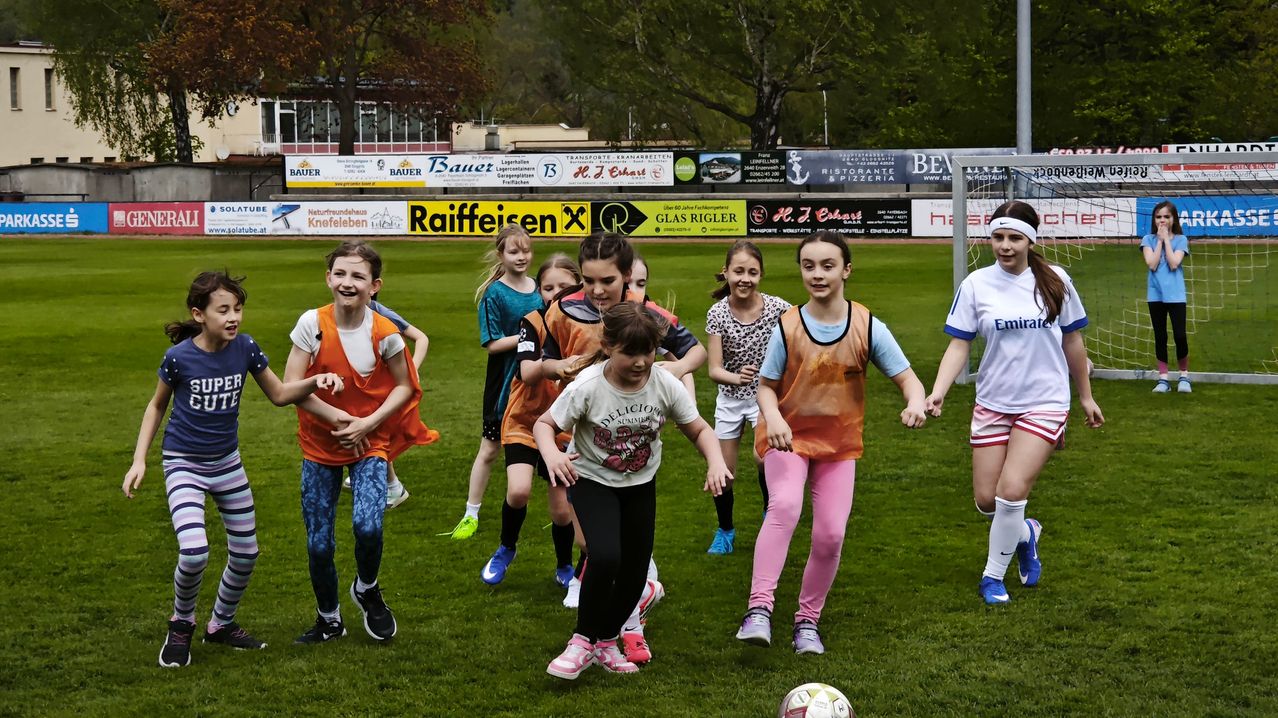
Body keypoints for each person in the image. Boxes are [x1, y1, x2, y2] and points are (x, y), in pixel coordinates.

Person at [122, 271, 348, 668]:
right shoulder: (178, 358)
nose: (234, 317)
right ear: (199, 314)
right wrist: (139, 459)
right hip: (184, 465)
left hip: (227, 464)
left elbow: (279, 394)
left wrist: (316, 380)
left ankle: (220, 625)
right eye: (223, 310)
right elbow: (157, 406)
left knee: (246, 553)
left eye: (238, 309)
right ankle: (181, 624)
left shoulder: (245, 348)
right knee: (193, 554)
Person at [735, 231, 927, 655]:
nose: (817, 274)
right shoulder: (787, 327)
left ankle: (807, 621)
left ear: (846, 270)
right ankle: (759, 610)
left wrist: (915, 402)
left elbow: (908, 378)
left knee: (830, 536)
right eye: (808, 266)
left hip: (838, 445)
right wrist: (773, 419)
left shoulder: (867, 324)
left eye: (827, 266)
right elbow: (765, 387)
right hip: (788, 439)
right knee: (783, 505)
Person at [536, 302, 731, 680]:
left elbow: (700, 430)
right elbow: (544, 425)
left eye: (649, 352)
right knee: (606, 556)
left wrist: (716, 461)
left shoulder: (664, 383)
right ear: (608, 346)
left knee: (635, 570)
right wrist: (552, 455)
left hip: (640, 486)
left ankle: (607, 643)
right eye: (631, 353)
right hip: (592, 481)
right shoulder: (589, 385)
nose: (642, 362)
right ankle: (581, 642)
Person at [925, 200, 1104, 606]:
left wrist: (1086, 396)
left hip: (1044, 401)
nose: (1004, 246)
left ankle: (992, 578)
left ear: (1030, 241)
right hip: (993, 401)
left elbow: (1073, 341)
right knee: (987, 500)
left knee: (1010, 492)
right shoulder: (975, 284)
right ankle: (1026, 533)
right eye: (998, 237)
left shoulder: (1056, 280)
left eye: (1014, 238)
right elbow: (959, 345)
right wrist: (938, 391)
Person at [285, 240, 438, 643]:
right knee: (319, 543)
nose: (347, 282)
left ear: (375, 286)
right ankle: (329, 619)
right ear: (328, 278)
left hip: (370, 442)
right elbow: (289, 387)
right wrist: (340, 417)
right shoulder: (311, 324)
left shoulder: (385, 333)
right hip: (320, 446)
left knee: (367, 526)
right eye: (340, 274)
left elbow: (406, 387)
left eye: (358, 276)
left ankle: (367, 588)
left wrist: (366, 425)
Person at [480, 254, 581, 589]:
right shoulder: (531, 321)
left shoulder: (585, 325)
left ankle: (565, 565)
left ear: (578, 286)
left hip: (563, 426)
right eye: (548, 287)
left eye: (564, 287)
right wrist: (563, 364)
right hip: (524, 420)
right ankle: (506, 548)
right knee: (519, 490)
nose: (554, 293)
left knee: (561, 510)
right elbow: (527, 371)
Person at [449, 225, 544, 539]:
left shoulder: (539, 286)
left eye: (525, 251)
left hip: (539, 379)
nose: (521, 257)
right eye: (514, 252)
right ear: (501, 254)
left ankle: (565, 510)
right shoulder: (495, 293)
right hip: (504, 382)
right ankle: (470, 513)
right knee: (490, 448)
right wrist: (527, 338)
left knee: (551, 443)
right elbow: (490, 343)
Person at [703, 240, 790, 554]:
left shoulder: (779, 308)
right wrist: (735, 377)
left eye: (752, 272)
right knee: (724, 474)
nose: (745, 278)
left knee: (764, 457)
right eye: (738, 271)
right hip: (729, 398)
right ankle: (725, 530)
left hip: (765, 398)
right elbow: (714, 369)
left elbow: (801, 335)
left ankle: (771, 514)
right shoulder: (718, 313)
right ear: (726, 272)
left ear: (761, 275)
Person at [341, 297, 429, 509]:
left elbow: (421, 338)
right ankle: (371, 473)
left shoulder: (379, 313)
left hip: (385, 387)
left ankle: (391, 484)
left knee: (375, 433)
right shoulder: (343, 314)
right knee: (367, 431)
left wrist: (412, 369)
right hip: (365, 385)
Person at [1141, 200, 1191, 393]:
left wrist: (1167, 240)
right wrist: (1160, 241)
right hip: (1155, 295)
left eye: (1166, 217)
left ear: (1173, 219)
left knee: (1180, 335)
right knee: (1160, 336)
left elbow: (1173, 263)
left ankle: (1184, 376)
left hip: (1176, 295)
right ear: (1154, 219)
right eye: (1158, 217)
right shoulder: (1147, 240)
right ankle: (1163, 379)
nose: (1162, 220)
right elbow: (1152, 264)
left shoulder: (1181, 240)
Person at [631, 254, 697, 399]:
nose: (634, 291)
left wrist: (690, 404)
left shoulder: (650, 320)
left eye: (641, 284)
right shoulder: (589, 318)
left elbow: (688, 356)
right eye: (627, 283)